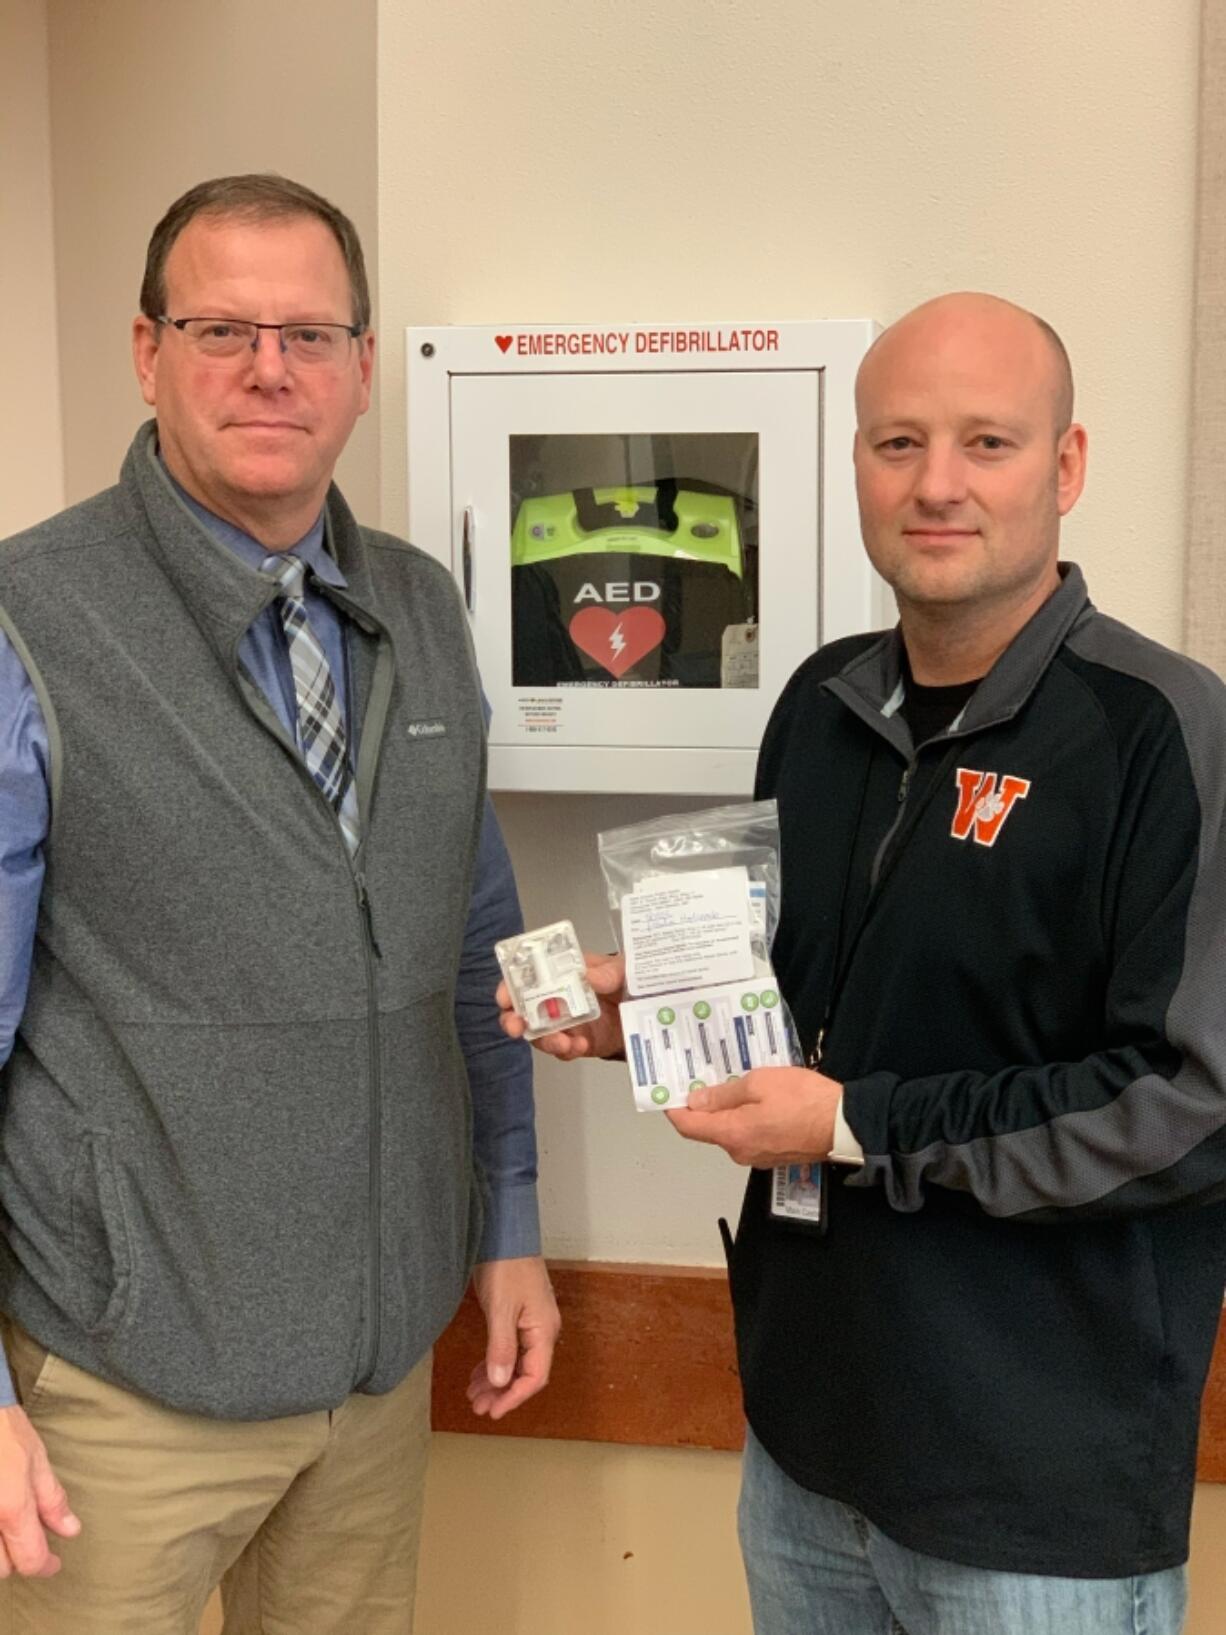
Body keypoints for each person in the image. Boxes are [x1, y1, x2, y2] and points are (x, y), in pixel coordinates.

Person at [504, 293, 1226, 1634]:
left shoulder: (1160, 734)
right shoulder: (822, 706)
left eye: (986, 444)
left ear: (1064, 468)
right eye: (896, 443)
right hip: (806, 1458)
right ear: (853, 466)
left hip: (1033, 1502)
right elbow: (810, 1010)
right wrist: (648, 1009)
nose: (935, 484)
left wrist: (854, 1125)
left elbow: (1185, 1110)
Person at [0, 173, 558, 1633]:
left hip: (373, 1376)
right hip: (120, 1387)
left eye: (309, 334)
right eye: (222, 327)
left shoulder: (423, 611)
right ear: (146, 352)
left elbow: (474, 962)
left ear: (363, 369)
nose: (269, 368)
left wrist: (506, 1226)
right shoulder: (28, 624)